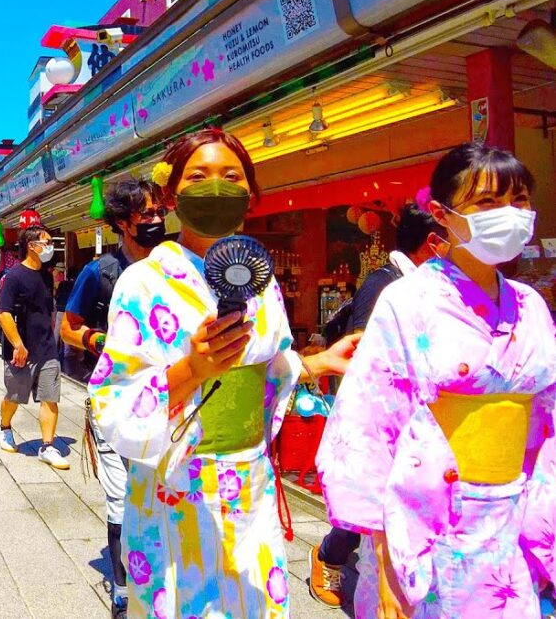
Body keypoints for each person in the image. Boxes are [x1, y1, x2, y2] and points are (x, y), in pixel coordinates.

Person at [88, 128, 357, 618]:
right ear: (171, 194)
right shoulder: (143, 281)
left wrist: (318, 362)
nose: (216, 188)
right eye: (199, 176)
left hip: (249, 479)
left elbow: (267, 366)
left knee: (254, 602)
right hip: (178, 484)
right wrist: (193, 367)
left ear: (250, 195)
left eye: (231, 177)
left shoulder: (260, 276)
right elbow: (111, 397)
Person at [318, 143, 556, 619]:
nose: (508, 215)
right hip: (430, 528)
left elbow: (547, 422)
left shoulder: (531, 305)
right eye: (487, 203)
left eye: (519, 200)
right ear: (441, 214)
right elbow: (367, 429)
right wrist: (384, 566)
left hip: (514, 522)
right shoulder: (408, 301)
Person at [308, 203, 447, 607]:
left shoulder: (440, 286)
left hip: (429, 418)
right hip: (381, 415)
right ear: (432, 243)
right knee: (365, 508)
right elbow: (362, 350)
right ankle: (328, 555)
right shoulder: (385, 283)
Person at [61, 178, 167, 619]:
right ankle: (123, 589)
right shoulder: (100, 272)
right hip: (115, 403)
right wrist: (98, 338)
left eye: (160, 211)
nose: (158, 221)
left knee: (163, 491)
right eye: (147, 215)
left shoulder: (173, 264)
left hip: (169, 398)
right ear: (123, 222)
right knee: (123, 496)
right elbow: (66, 326)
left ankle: (164, 574)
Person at [0, 227, 71, 470]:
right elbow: (4, 312)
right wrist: (18, 343)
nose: (51, 246)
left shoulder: (47, 276)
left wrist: (52, 335)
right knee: (14, 396)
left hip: (47, 348)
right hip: (21, 349)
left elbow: (46, 310)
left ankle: (47, 446)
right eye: (47, 242)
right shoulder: (14, 276)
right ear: (31, 245)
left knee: (50, 397)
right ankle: (5, 427)